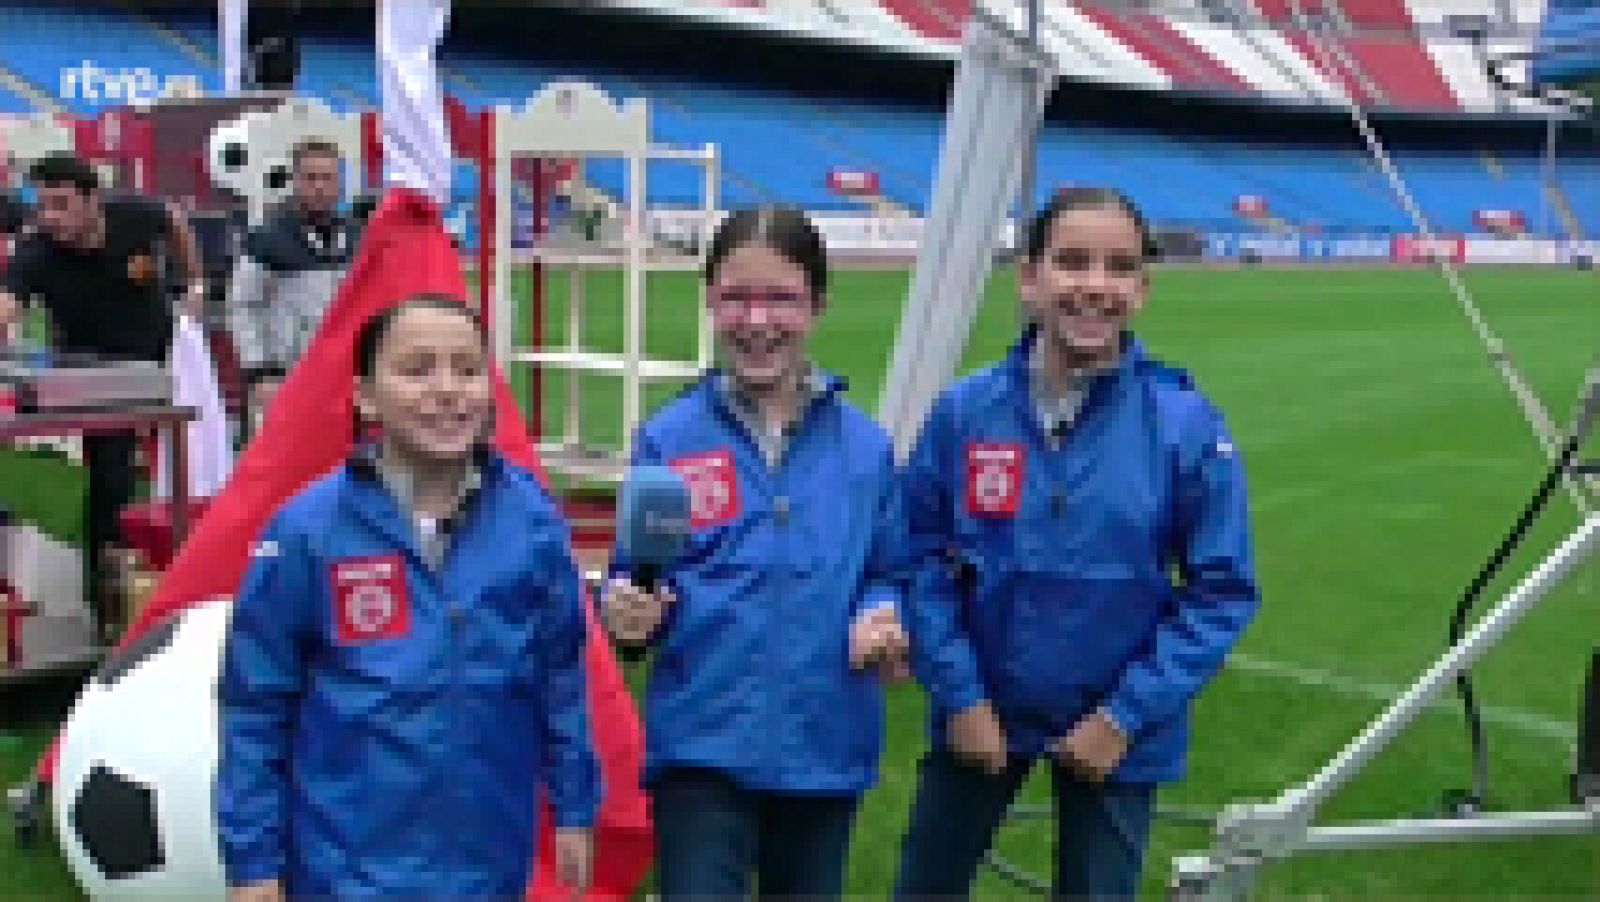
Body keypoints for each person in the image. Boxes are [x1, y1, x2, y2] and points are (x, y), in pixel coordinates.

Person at [893, 188, 1261, 899]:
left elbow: (1221, 592)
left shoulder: (1184, 424)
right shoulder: (966, 412)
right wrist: (962, 697)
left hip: (1118, 733)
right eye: (1072, 262)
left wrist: (1123, 718)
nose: (1095, 286)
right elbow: (917, 554)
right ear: (1030, 278)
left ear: (1142, 289)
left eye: (1118, 268)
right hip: (982, 714)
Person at [217, 296, 598, 900]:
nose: (448, 389)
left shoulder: (532, 522)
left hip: (487, 862)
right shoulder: (306, 532)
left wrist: (576, 804)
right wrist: (254, 860)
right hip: (347, 868)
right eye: (418, 369)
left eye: (467, 370)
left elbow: (562, 676)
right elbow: (256, 705)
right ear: (366, 396)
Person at [602, 206, 908, 899]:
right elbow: (634, 575)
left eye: (782, 299)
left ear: (819, 306)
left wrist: (882, 616)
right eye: (737, 297)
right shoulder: (669, 439)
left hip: (824, 744)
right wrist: (625, 609)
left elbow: (889, 570)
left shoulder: (865, 449)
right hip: (703, 748)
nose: (758, 320)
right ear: (710, 299)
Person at [0, 152, 206, 641]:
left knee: (190, 470)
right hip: (91, 372)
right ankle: (109, 606)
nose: (50, 217)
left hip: (160, 359)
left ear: (94, 201)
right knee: (111, 480)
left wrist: (193, 282)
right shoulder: (36, 253)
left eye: (61, 204)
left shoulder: (134, 215)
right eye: (43, 205)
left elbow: (175, 222)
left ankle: (191, 588)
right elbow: (8, 302)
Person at [228, 138, 362, 428]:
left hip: (346, 375)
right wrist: (259, 371)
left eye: (327, 178)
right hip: (284, 377)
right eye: (310, 177)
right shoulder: (266, 238)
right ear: (295, 181)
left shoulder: (356, 235)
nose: (318, 186)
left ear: (339, 184)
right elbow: (243, 307)